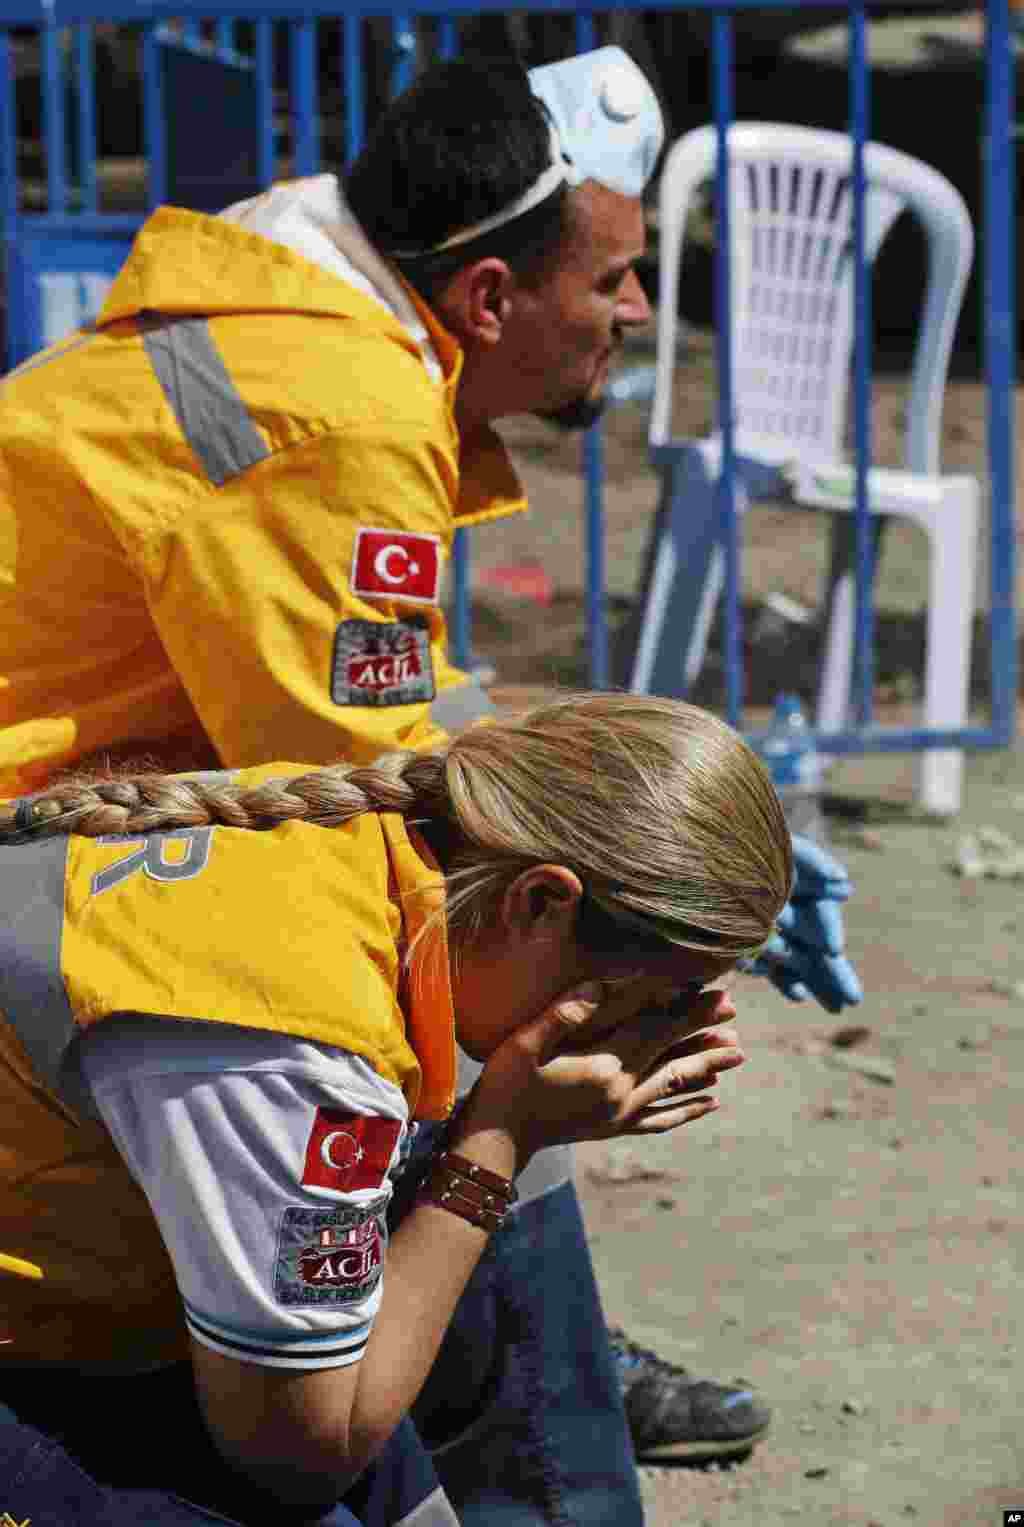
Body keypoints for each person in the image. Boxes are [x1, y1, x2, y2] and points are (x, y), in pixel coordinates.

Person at [0, 43, 860, 1514]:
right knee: (486, 1104)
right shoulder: (338, 415)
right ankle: (524, 1422)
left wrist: (652, 832)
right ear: (488, 293)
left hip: (93, 842)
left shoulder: (307, 318)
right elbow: (375, 766)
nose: (639, 316)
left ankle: (466, 1365)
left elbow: (370, 709)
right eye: (613, 282)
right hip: (73, 870)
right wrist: (503, 1126)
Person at [0, 693, 792, 1525]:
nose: (655, 1037)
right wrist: (502, 1137)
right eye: (660, 1002)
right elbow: (299, 1455)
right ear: (539, 902)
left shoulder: (360, 840)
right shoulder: (297, 1036)